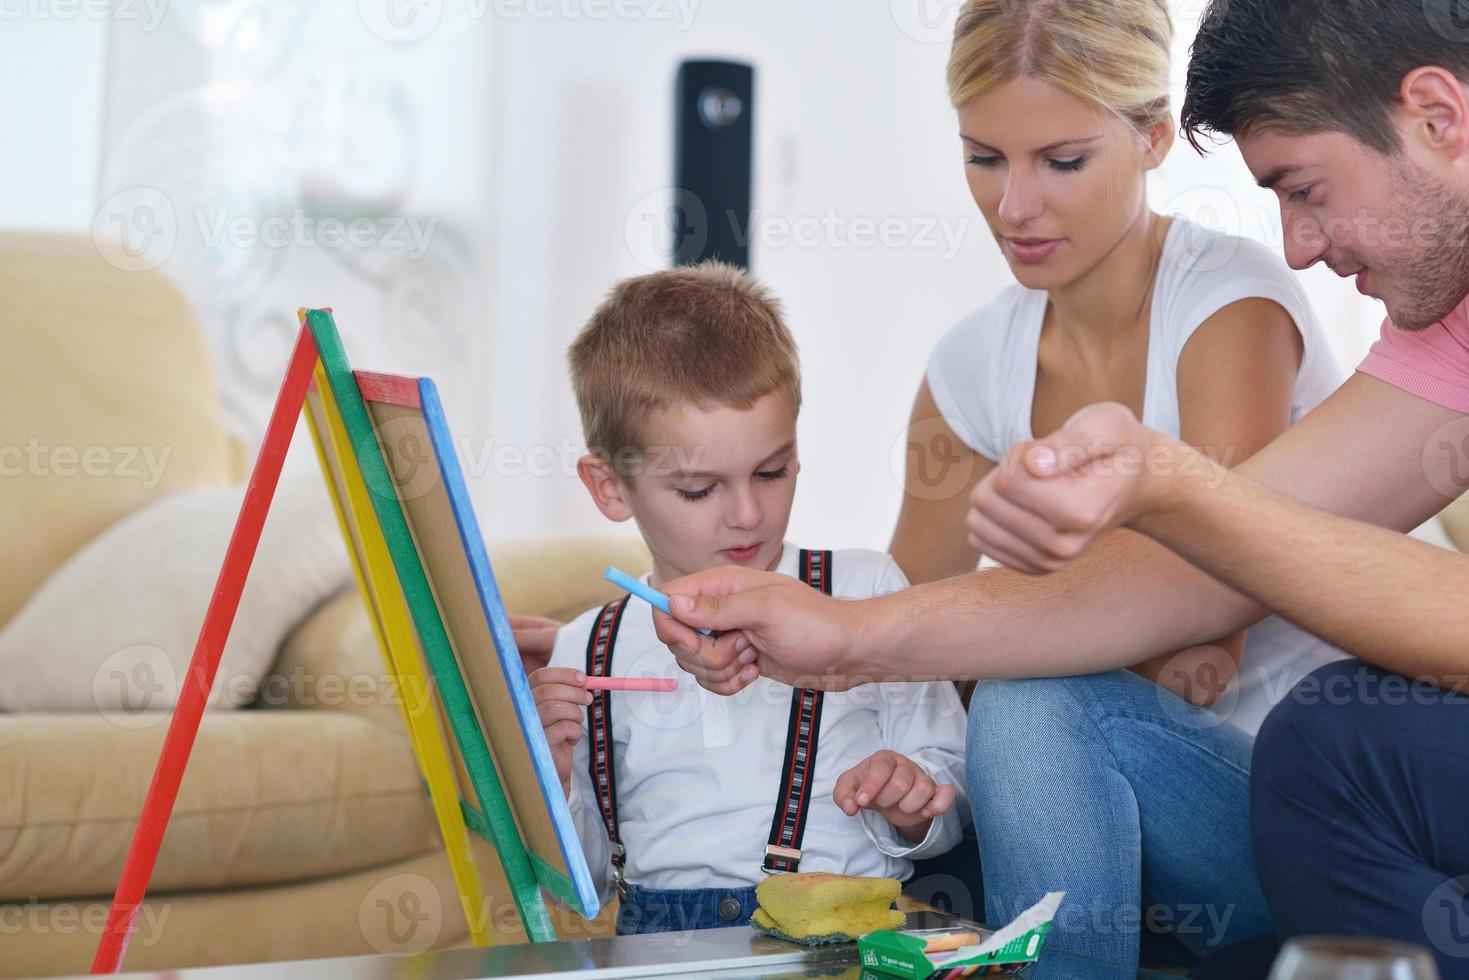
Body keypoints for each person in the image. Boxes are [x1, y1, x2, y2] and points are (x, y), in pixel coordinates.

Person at [651, 1, 1469, 973]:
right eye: (983, 158)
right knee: (996, 760)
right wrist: (842, 635)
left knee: (1328, 735)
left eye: (1305, 188)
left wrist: (1162, 488)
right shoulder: (1441, 334)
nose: (1297, 244)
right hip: (1276, 807)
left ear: (1435, 114)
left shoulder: (1228, 298)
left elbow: (1213, 615)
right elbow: (1210, 571)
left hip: (1270, 777)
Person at [885, 0, 1344, 964]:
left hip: (1292, 815)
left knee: (1029, 702)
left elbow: (1201, 646)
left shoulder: (1228, 302)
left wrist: (990, 649)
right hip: (1096, 803)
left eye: (1060, 161)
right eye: (983, 157)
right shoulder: (969, 364)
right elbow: (906, 632)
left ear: (1151, 138)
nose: (1013, 206)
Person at [531, 261, 967, 936]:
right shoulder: (583, 644)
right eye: (699, 490)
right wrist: (552, 779)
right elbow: (580, 886)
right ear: (609, 487)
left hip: (843, 939)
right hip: (660, 949)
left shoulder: (864, 592)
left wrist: (913, 804)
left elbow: (951, 788)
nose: (746, 514)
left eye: (771, 472)